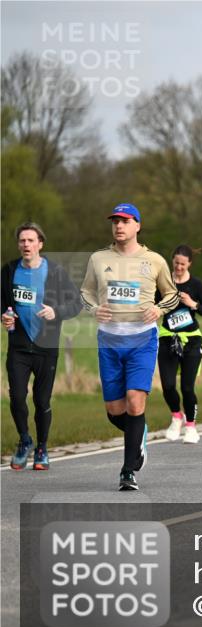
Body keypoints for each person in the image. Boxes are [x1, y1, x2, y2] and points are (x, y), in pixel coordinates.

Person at [80, 203, 179, 490]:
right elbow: (85, 292)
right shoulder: (98, 258)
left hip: (142, 339)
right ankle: (140, 434)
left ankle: (128, 471)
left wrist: (159, 310)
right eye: (115, 221)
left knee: (135, 401)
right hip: (109, 340)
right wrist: (95, 308)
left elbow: (172, 295)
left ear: (138, 225)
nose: (119, 226)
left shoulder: (155, 260)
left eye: (125, 221)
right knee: (115, 409)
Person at [2, 222, 82, 471]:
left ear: (40, 244)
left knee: (41, 400)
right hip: (19, 346)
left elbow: (76, 303)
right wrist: (4, 316)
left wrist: (55, 311)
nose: (26, 244)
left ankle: (42, 448)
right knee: (16, 397)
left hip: (46, 348)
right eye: (22, 241)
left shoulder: (56, 272)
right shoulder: (8, 271)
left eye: (30, 240)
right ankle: (25, 440)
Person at [157, 245, 202, 444]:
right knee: (168, 386)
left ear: (189, 264)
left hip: (192, 340)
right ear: (172, 261)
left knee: (187, 388)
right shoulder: (163, 282)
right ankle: (176, 417)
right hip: (167, 338)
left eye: (183, 264)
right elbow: (153, 306)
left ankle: (191, 426)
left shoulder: (196, 284)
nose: (179, 267)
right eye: (176, 263)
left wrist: (192, 303)